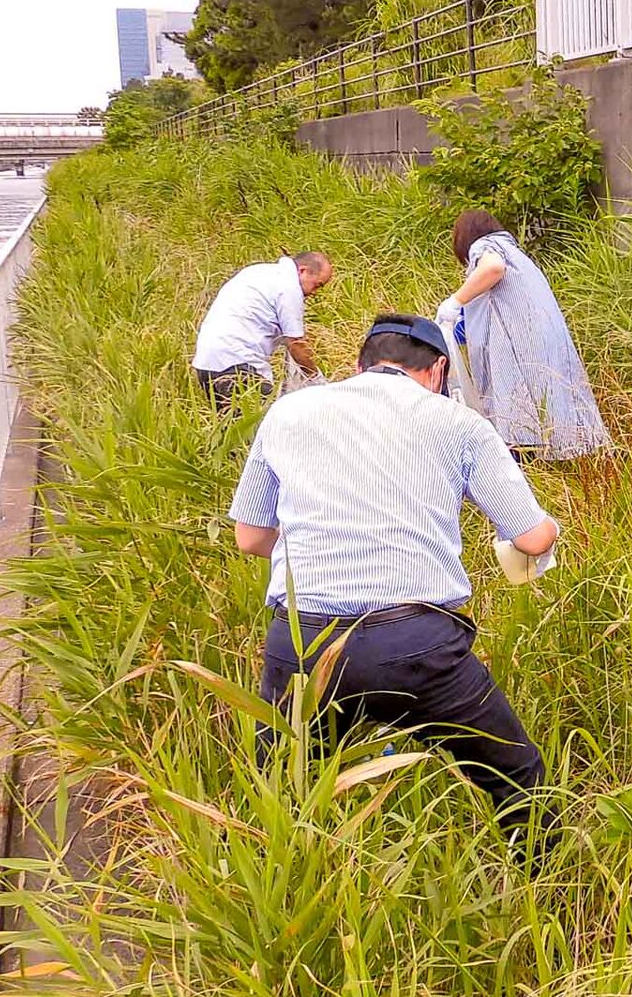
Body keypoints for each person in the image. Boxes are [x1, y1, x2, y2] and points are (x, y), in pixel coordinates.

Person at [229, 313, 561, 827]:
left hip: (303, 639)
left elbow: (250, 536)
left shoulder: (289, 413)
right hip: (414, 645)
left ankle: (278, 888)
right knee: (516, 776)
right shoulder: (458, 423)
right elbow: (531, 537)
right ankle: (543, 887)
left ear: (360, 365)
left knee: (282, 790)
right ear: (438, 370)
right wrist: (551, 529)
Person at [438, 210, 611, 459]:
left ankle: (523, 460)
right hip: (544, 340)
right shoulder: (515, 253)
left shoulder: (485, 246)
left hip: (521, 346)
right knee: (551, 402)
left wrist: (455, 301)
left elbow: (493, 268)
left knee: (518, 408)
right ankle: (571, 457)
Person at [192, 251, 335, 409]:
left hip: (206, 364)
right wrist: (318, 381)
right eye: (317, 285)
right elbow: (296, 344)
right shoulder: (289, 287)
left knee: (233, 431)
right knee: (267, 427)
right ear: (303, 271)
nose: (314, 292)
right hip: (237, 364)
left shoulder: (259, 272)